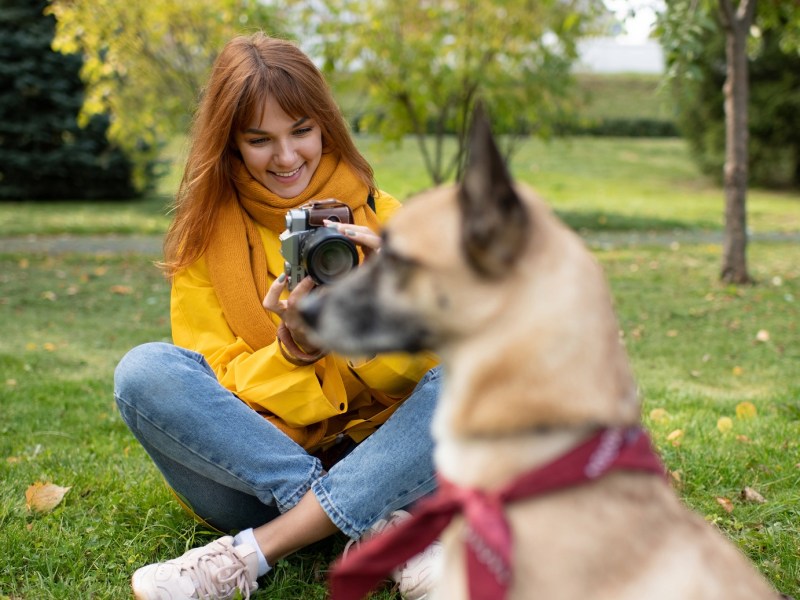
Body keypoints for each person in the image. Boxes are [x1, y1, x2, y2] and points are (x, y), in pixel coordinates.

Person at [113, 32, 442, 600]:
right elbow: (217, 390)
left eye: (301, 131)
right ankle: (372, 524)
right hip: (259, 475)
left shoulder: (388, 222)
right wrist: (293, 351)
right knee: (144, 371)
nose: (286, 158)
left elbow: (436, 376)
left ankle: (254, 553)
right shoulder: (202, 245)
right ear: (231, 143)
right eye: (260, 139)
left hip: (392, 457)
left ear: (325, 127)